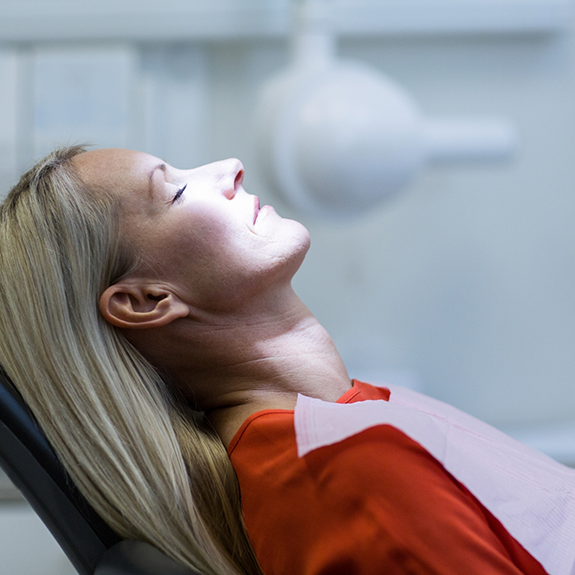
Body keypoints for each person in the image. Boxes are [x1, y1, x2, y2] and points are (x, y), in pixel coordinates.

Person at [0, 146, 564, 575]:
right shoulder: (345, 475)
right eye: (173, 192)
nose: (231, 166)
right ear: (147, 301)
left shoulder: (339, 432)